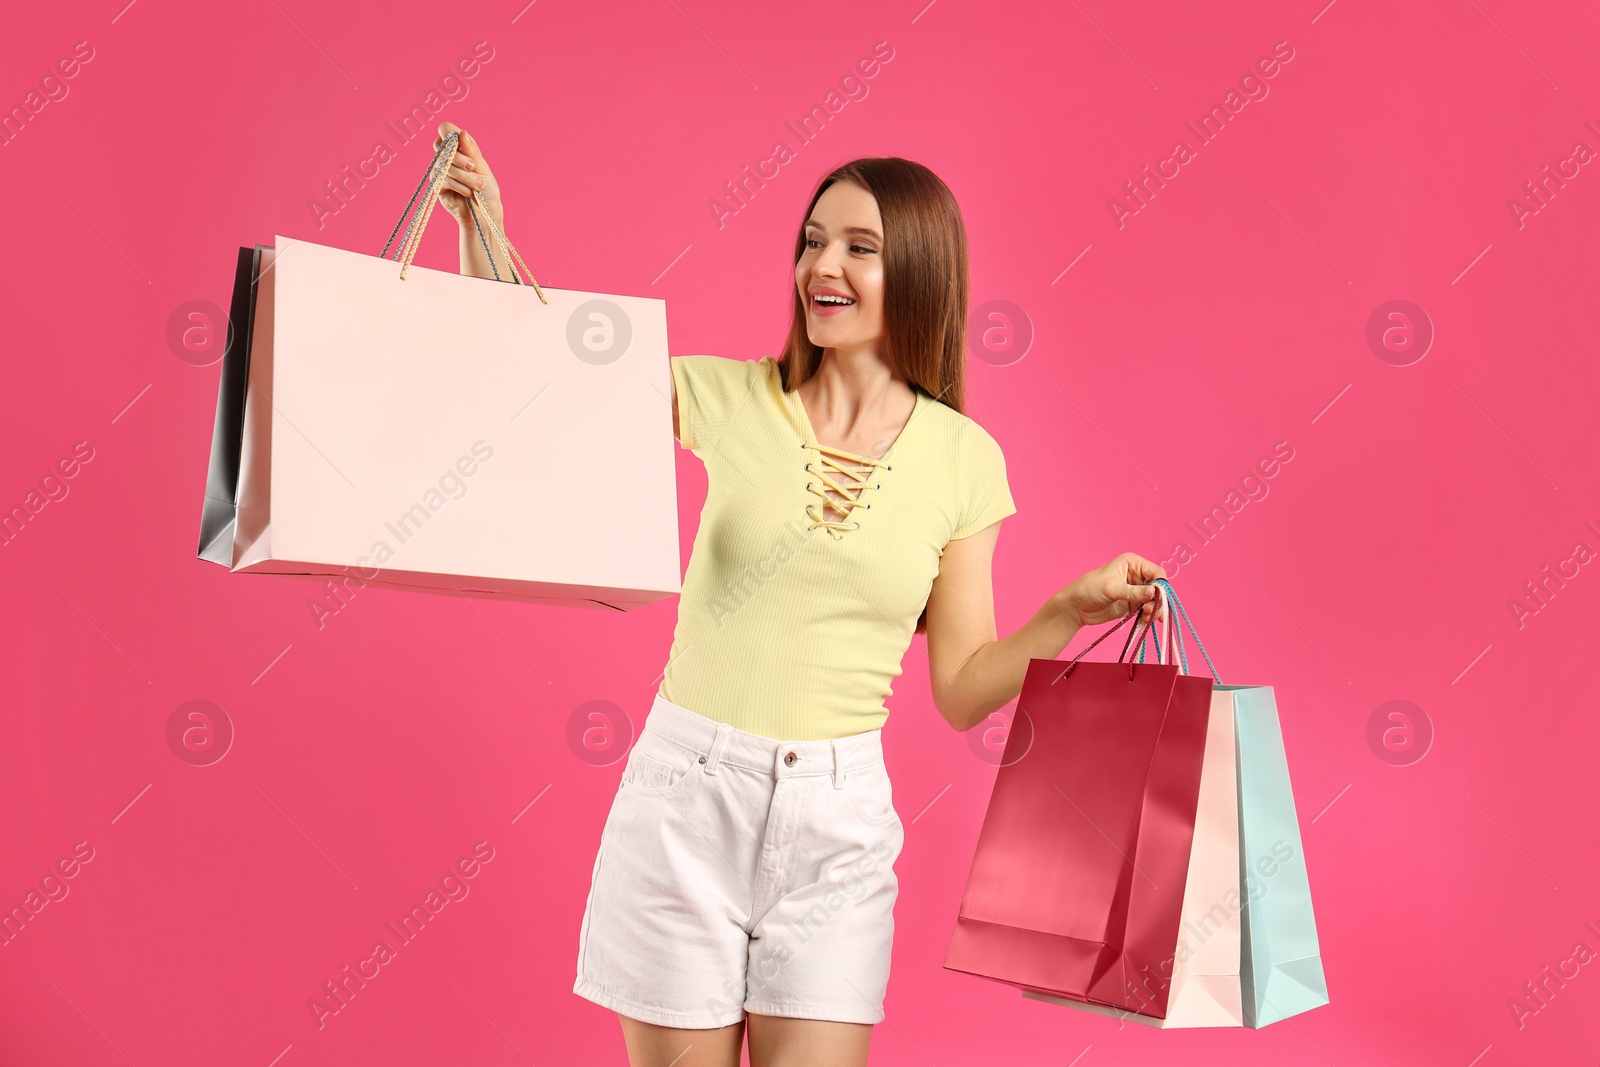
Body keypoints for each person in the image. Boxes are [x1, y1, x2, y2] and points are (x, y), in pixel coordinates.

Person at [433, 120, 1169, 1067]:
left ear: (917, 272)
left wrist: (1069, 611)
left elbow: (961, 687)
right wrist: (484, 229)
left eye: (860, 246)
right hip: (683, 804)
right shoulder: (729, 397)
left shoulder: (964, 460)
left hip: (837, 825)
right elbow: (544, 386)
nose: (824, 262)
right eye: (814, 239)